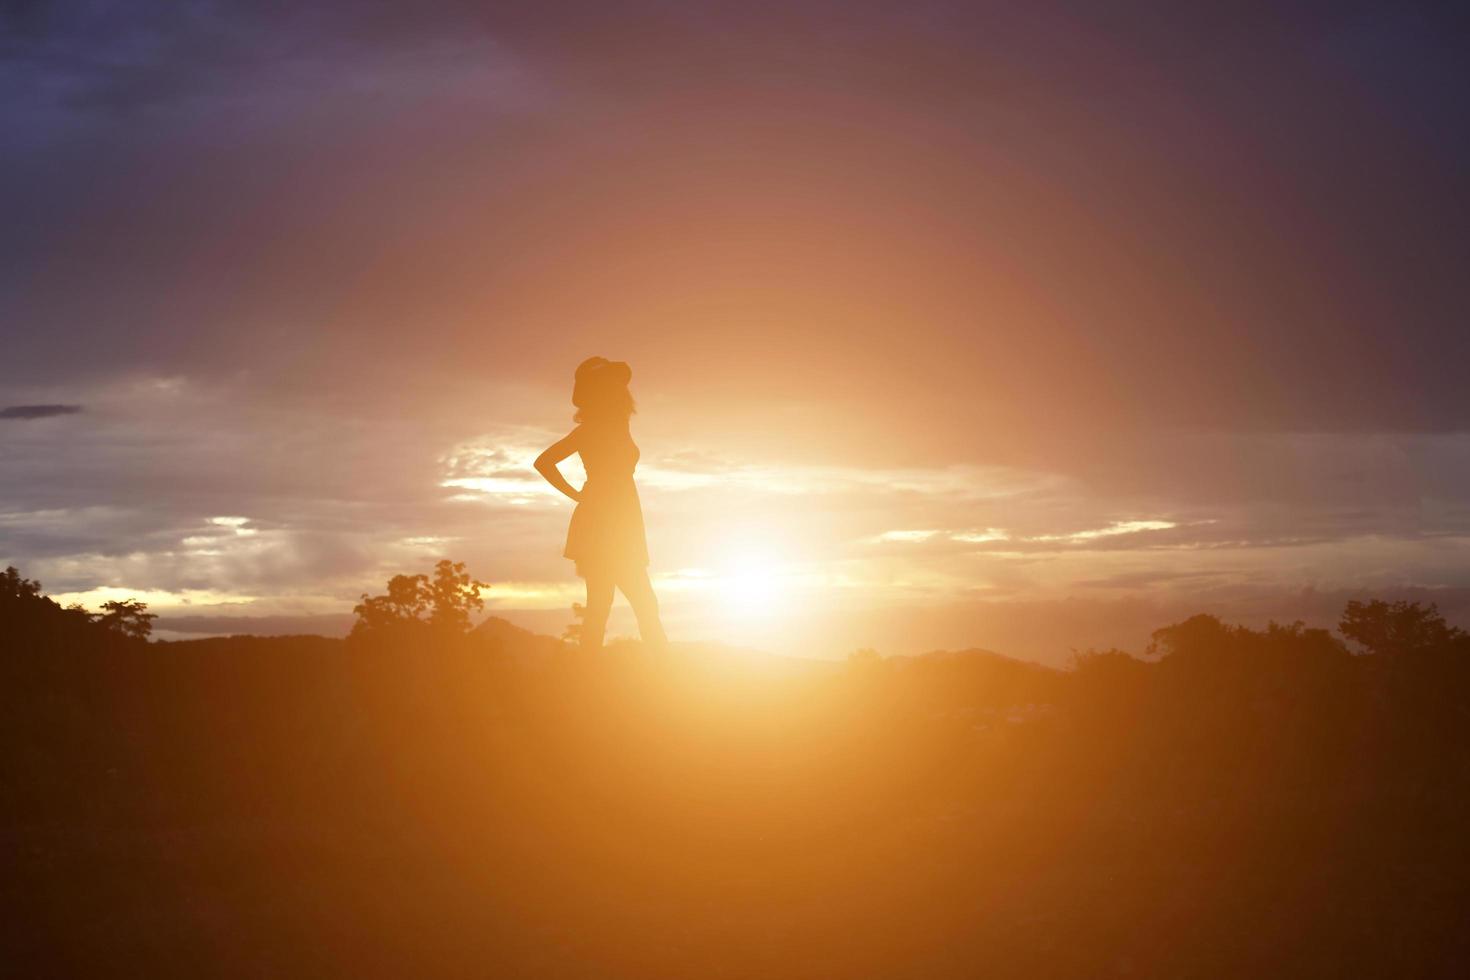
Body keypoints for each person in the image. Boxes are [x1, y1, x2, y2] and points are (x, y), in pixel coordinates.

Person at [535, 357, 668, 653]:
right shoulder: (591, 430)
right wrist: (577, 495)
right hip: (601, 521)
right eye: (612, 387)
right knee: (621, 603)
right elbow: (543, 462)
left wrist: (580, 496)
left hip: (622, 518)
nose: (622, 392)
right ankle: (661, 674)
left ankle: (599, 673)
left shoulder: (618, 426)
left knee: (614, 604)